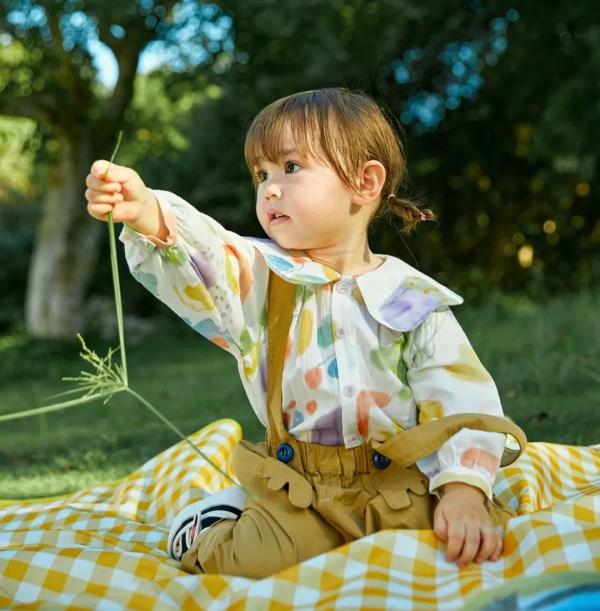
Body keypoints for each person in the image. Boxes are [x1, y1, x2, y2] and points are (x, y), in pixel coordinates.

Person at [85, 87, 526, 579]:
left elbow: (459, 395)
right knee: (251, 562)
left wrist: (464, 492)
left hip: (402, 483)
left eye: (290, 168)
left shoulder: (408, 297)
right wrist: (148, 212)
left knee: (456, 551)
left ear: (365, 181)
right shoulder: (261, 279)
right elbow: (207, 255)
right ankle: (210, 523)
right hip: (301, 487)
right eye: (261, 174)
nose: (270, 188)